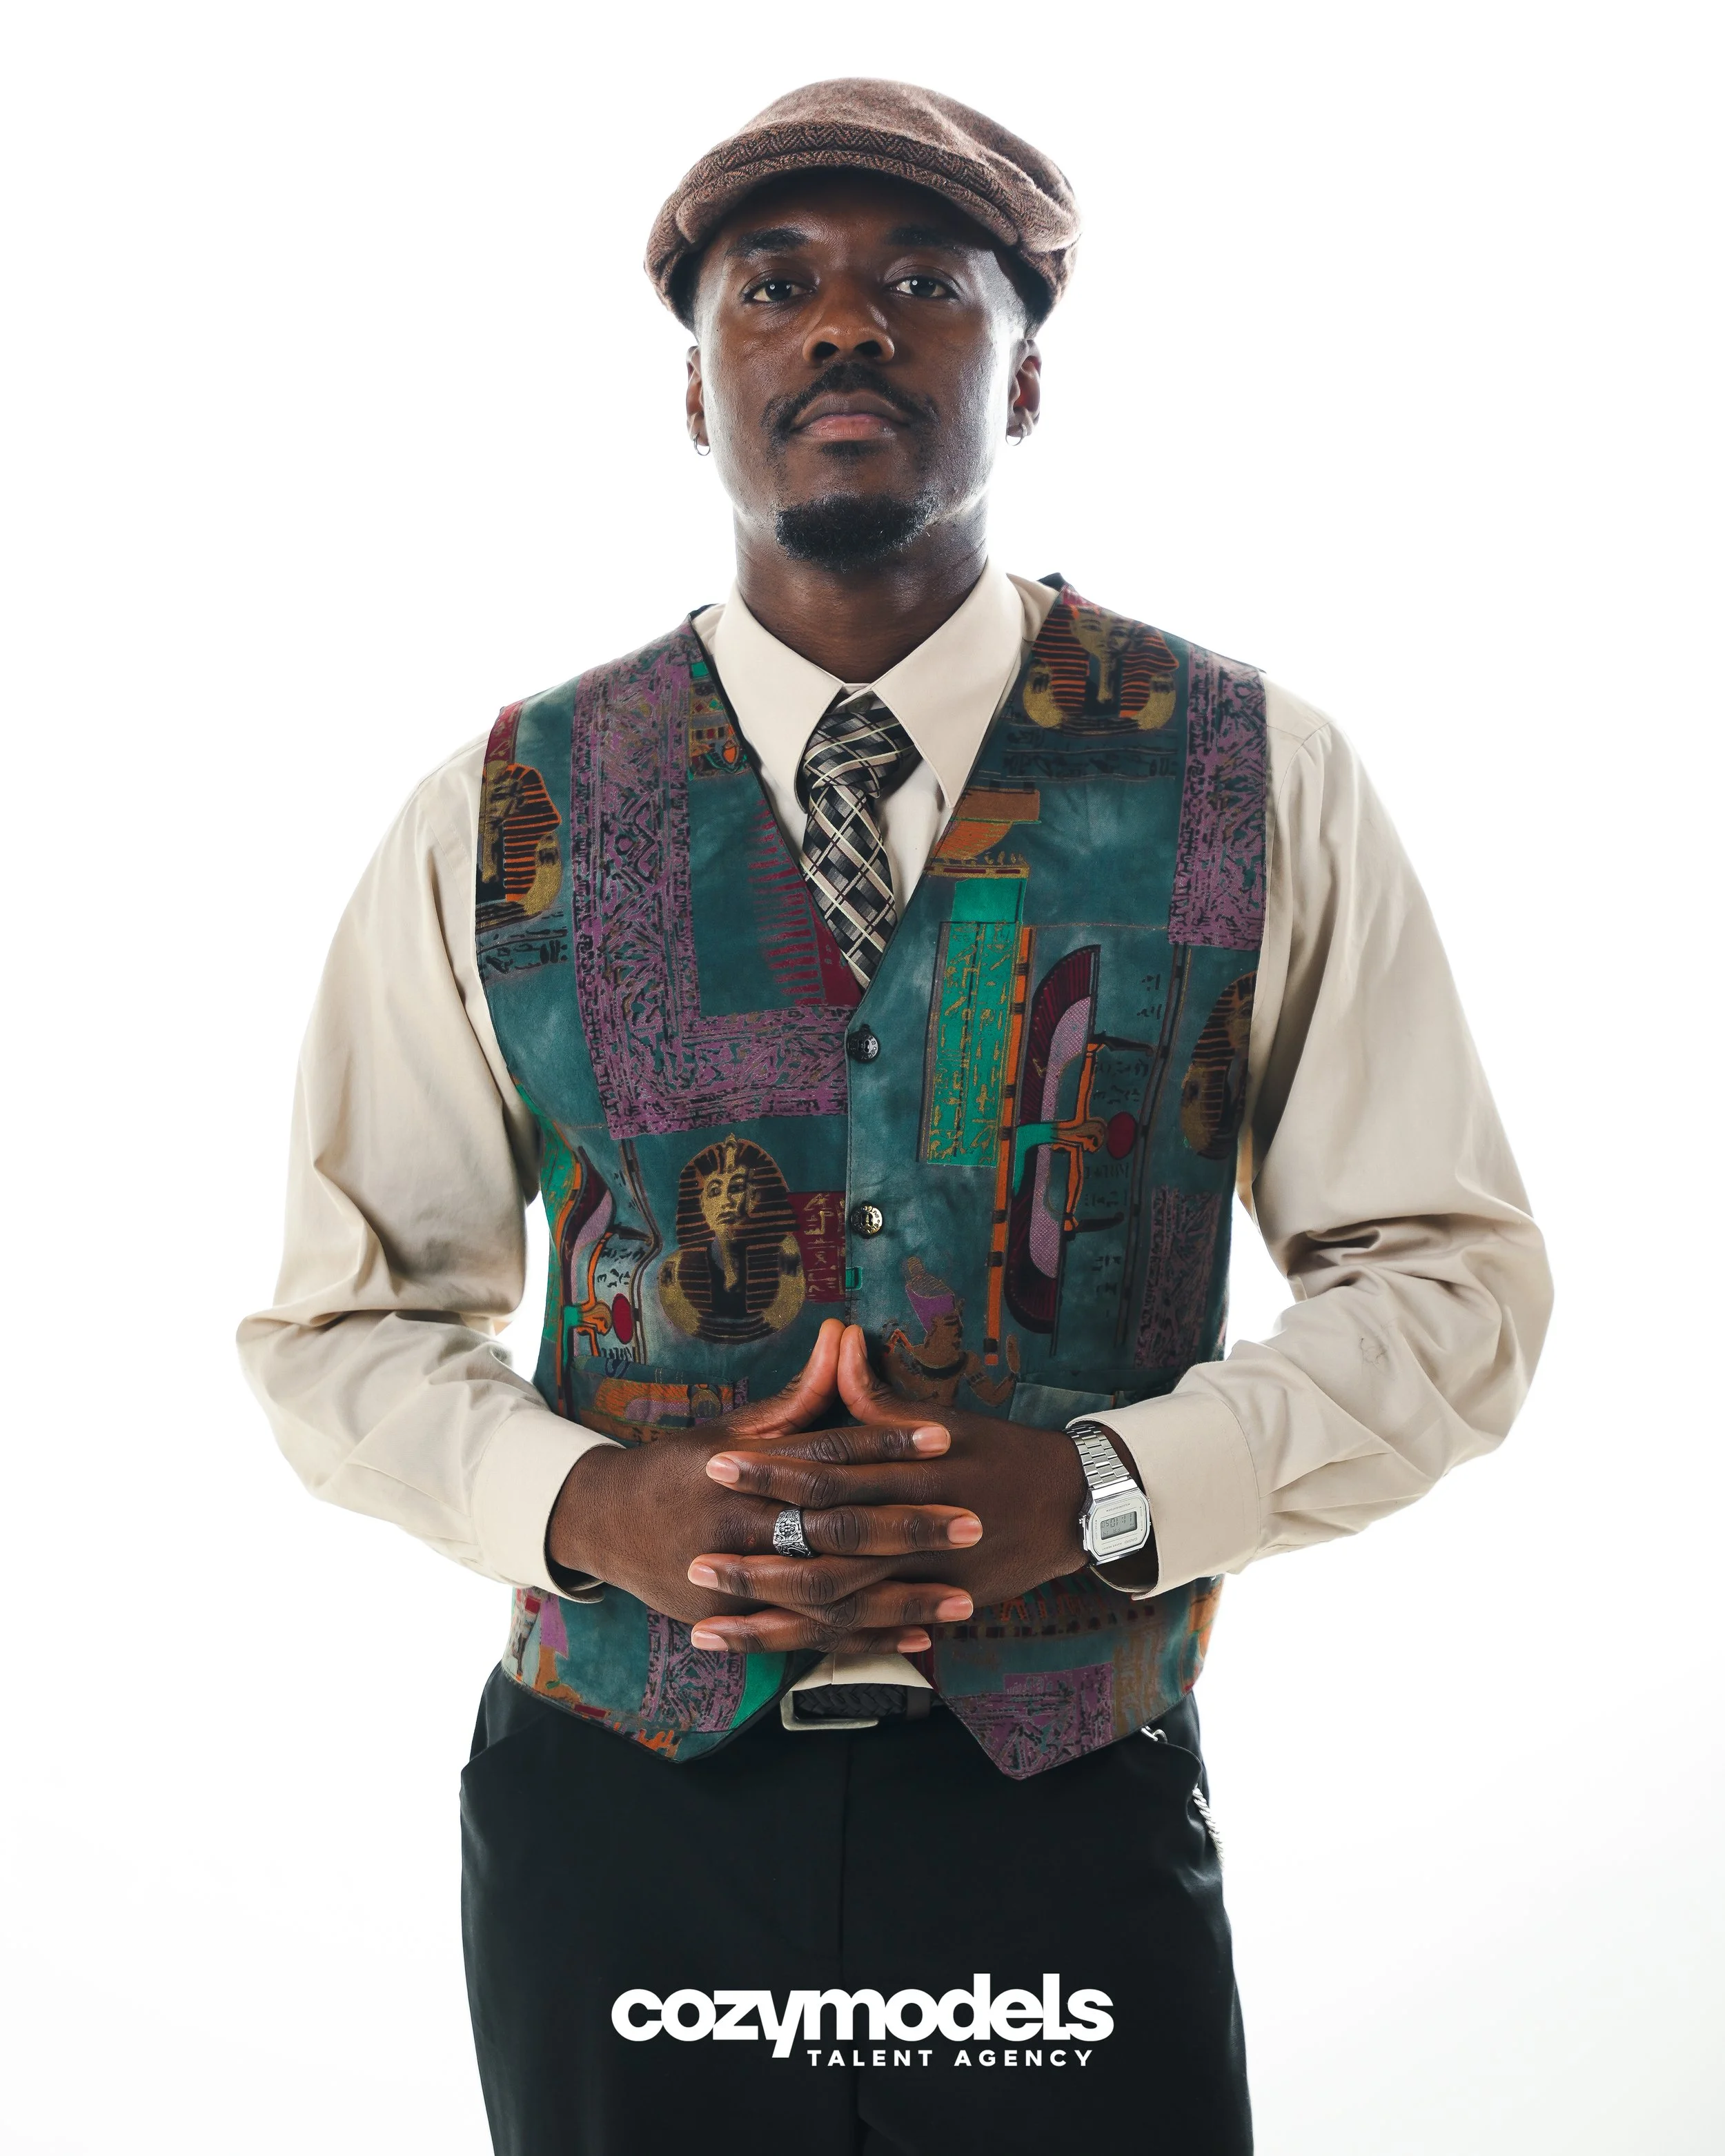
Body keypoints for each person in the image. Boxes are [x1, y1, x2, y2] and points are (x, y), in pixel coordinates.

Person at [239, 77, 1552, 2156]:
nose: (844, 328)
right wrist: (604, 1510)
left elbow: (1449, 1272)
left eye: (923, 285)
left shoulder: (1244, 774)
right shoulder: (505, 811)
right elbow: (343, 1323)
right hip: (622, 1818)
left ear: (1022, 379)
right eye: (775, 288)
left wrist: (1108, 1490)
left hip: (1053, 1811)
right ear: (695, 390)